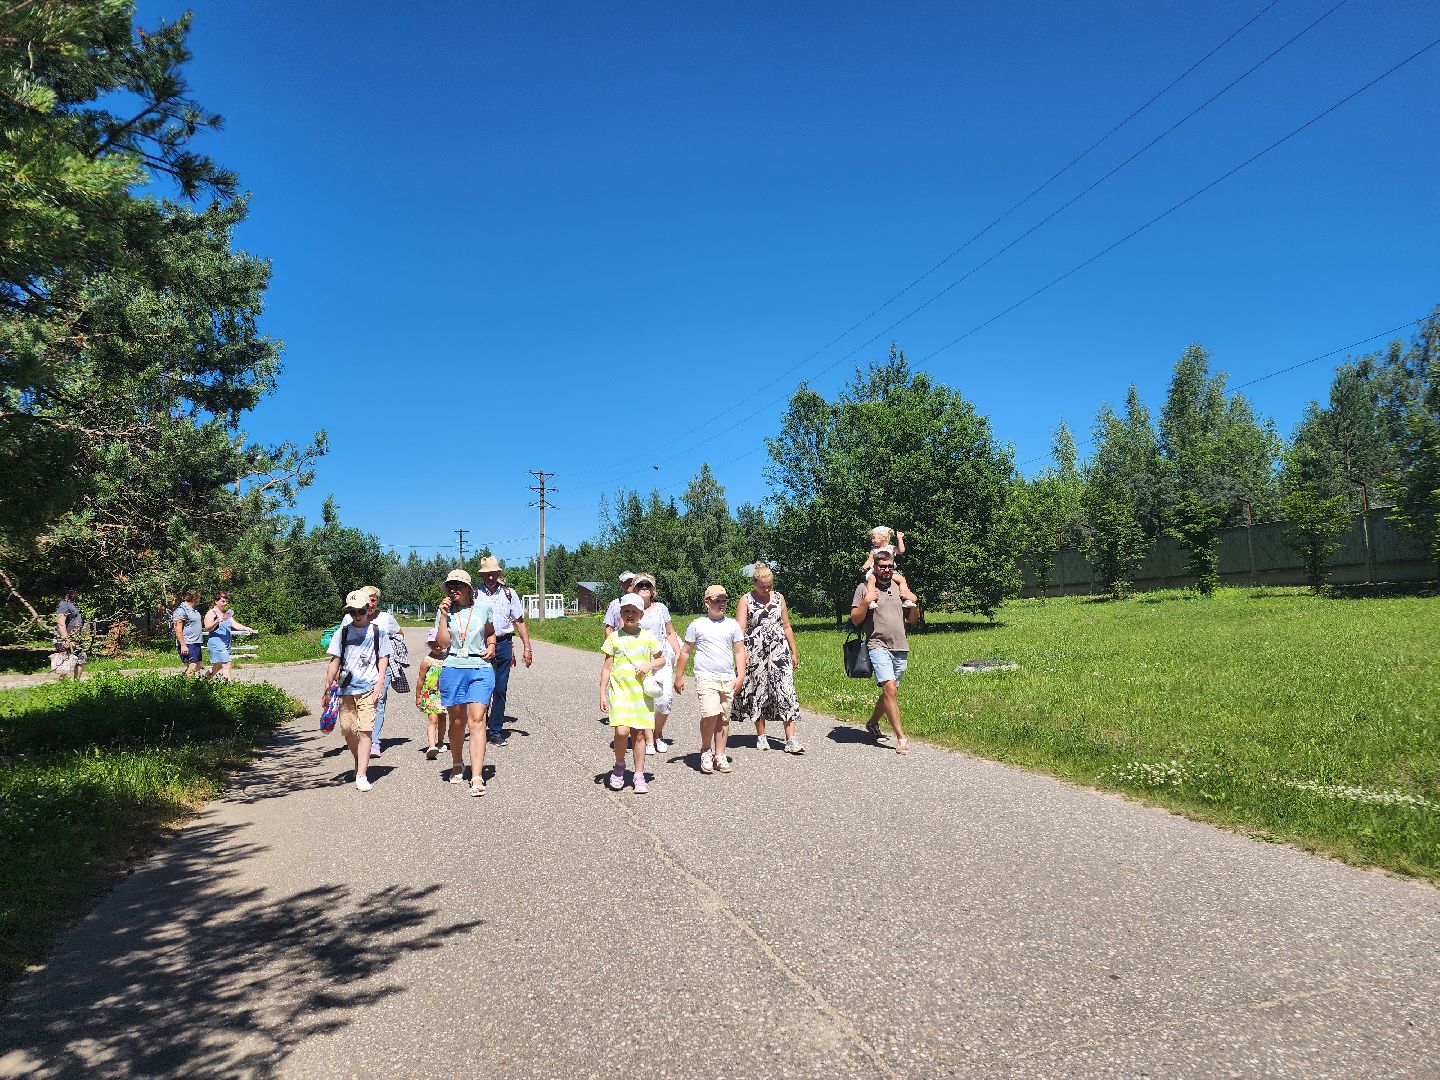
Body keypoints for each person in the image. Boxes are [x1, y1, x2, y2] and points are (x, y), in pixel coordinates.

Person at [850, 550, 921, 754]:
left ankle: (872, 723)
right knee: (889, 689)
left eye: (890, 566)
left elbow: (913, 620)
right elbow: (855, 619)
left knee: (891, 691)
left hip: (900, 645)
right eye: (883, 567)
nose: (887, 570)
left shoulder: (900, 587)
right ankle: (901, 738)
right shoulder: (864, 588)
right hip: (877, 644)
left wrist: (913, 602)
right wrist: (866, 601)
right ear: (875, 568)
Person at [435, 568, 497, 797]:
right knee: (458, 721)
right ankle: (457, 762)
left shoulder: (484, 607)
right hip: (453, 667)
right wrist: (442, 616)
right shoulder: (445, 611)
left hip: (480, 668)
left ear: (469, 589)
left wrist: (491, 646)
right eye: (450, 586)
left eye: (458, 586)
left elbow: (490, 632)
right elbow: (442, 643)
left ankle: (478, 775)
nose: (453, 590)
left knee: (477, 720)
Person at [673, 585, 747, 775]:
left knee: (723, 716)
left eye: (723, 601)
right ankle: (706, 750)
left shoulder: (732, 625)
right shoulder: (698, 624)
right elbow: (685, 651)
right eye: (716, 601)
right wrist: (679, 677)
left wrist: (740, 675)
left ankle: (719, 754)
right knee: (709, 713)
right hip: (705, 676)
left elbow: (739, 651)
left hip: (727, 678)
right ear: (707, 603)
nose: (721, 604)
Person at [325, 588, 392, 792]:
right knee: (347, 730)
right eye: (352, 612)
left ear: (368, 609)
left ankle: (361, 774)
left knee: (365, 731)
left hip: (368, 688)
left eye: (360, 611)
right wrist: (328, 688)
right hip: (346, 689)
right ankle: (358, 760)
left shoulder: (378, 632)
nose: (356, 616)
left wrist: (379, 684)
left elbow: (383, 659)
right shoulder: (343, 631)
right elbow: (334, 660)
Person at [733, 563, 803, 753]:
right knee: (759, 691)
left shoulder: (779, 598)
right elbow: (739, 630)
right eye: (763, 586)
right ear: (755, 582)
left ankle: (791, 739)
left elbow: (786, 626)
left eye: (769, 585)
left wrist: (794, 651)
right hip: (755, 652)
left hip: (779, 651)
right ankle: (761, 736)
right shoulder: (745, 600)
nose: (766, 589)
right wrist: (741, 654)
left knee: (786, 690)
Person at [599, 592, 664, 793]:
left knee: (638, 736)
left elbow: (661, 659)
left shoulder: (648, 637)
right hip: (619, 692)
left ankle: (639, 774)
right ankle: (619, 767)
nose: (629, 615)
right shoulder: (614, 639)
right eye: (626, 611)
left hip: (641, 695)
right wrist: (602, 692)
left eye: (633, 612)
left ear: (641, 615)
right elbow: (607, 667)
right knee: (621, 731)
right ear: (621, 614)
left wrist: (648, 665)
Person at [340, 587, 406, 757]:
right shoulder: (349, 618)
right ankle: (359, 738)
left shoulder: (385, 618)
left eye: (374, 599)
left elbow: (400, 634)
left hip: (381, 667)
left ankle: (373, 741)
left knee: (379, 702)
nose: (370, 603)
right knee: (353, 707)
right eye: (368, 599)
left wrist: (386, 645)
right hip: (354, 672)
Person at [477, 556, 534, 746]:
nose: (490, 577)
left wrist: (527, 648)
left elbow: (519, 621)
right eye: (487, 574)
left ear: (498, 573)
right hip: (481, 645)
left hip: (504, 645)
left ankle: (495, 731)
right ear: (482, 575)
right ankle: (479, 725)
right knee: (483, 688)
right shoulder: (476, 594)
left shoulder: (509, 594)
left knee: (500, 689)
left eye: (493, 573)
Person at [632, 574, 681, 756]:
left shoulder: (661, 609)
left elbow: (669, 632)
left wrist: (677, 652)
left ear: (653, 590)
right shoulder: (631, 610)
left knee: (664, 701)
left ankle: (657, 732)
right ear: (634, 589)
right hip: (641, 663)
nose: (644, 587)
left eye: (648, 585)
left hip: (661, 661)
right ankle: (649, 739)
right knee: (646, 703)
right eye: (640, 585)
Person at [203, 591, 256, 681]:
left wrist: (245, 628)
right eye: (223, 601)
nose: (225, 603)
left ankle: (203, 681)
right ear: (216, 601)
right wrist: (216, 621)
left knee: (218, 666)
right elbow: (207, 628)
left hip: (225, 643)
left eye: (226, 601)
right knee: (227, 664)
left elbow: (234, 624)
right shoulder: (212, 613)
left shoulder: (227, 613)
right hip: (216, 642)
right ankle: (229, 688)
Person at [414, 629, 446, 760]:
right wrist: (418, 696)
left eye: (438, 644)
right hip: (430, 694)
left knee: (443, 718)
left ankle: (441, 742)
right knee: (433, 719)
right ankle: (432, 746)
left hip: (443, 694)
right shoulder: (427, 661)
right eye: (432, 644)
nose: (436, 647)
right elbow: (420, 680)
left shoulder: (447, 657)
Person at [860, 526, 911, 592]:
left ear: (883, 538)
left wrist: (900, 538)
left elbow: (901, 551)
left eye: (873, 538)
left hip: (889, 571)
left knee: (902, 579)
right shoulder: (874, 549)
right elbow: (870, 560)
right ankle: (871, 595)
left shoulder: (891, 548)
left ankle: (905, 595)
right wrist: (865, 566)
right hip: (875, 571)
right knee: (871, 579)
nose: (872, 540)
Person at [52, 588, 86, 680]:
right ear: (70, 592)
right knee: (65, 663)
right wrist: (66, 638)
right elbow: (61, 622)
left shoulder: (71, 603)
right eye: (76, 591)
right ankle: (61, 683)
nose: (78, 593)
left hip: (74, 637)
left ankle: (76, 683)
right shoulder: (64, 604)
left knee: (80, 659)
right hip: (66, 638)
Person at [171, 589, 205, 677]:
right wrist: (183, 645)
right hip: (188, 642)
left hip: (196, 642)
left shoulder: (193, 610)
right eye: (199, 598)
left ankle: (183, 681)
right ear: (195, 598)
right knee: (192, 665)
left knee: (198, 666)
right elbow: (177, 629)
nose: (200, 600)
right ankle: (186, 686)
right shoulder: (181, 611)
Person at [602, 571, 636, 635]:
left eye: (632, 581)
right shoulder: (614, 604)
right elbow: (609, 628)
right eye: (626, 581)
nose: (630, 583)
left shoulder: (643, 602)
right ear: (621, 584)